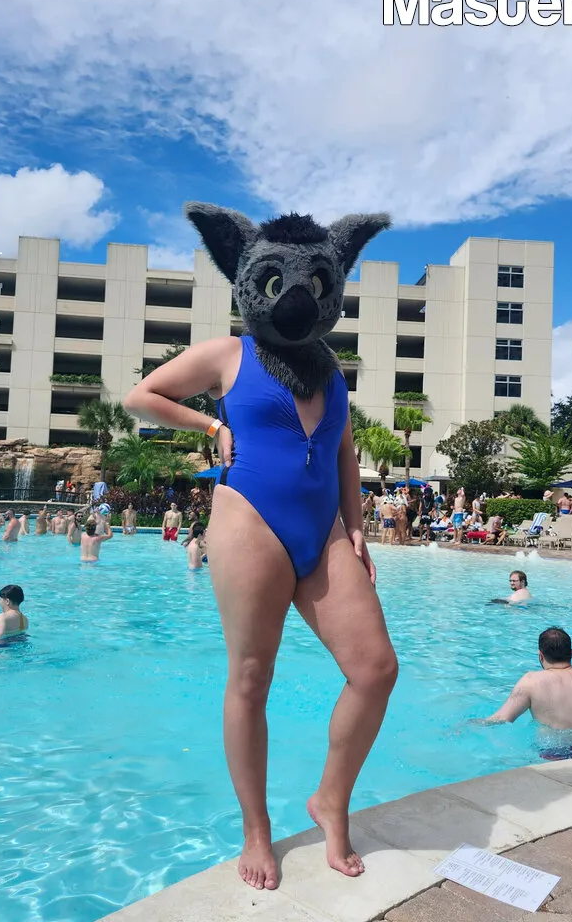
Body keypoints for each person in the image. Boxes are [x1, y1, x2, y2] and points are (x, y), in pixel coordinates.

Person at [123, 203, 397, 890]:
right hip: (250, 521)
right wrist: (209, 425)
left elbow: (343, 452)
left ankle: (330, 799)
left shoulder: (331, 372)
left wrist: (356, 524)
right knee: (251, 678)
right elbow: (142, 396)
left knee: (375, 669)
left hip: (324, 532)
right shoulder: (230, 353)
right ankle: (255, 830)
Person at [480, 627, 572, 759]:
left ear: (540, 655)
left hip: (554, 754)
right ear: (571, 653)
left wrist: (475, 723)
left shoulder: (530, 681)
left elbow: (503, 718)